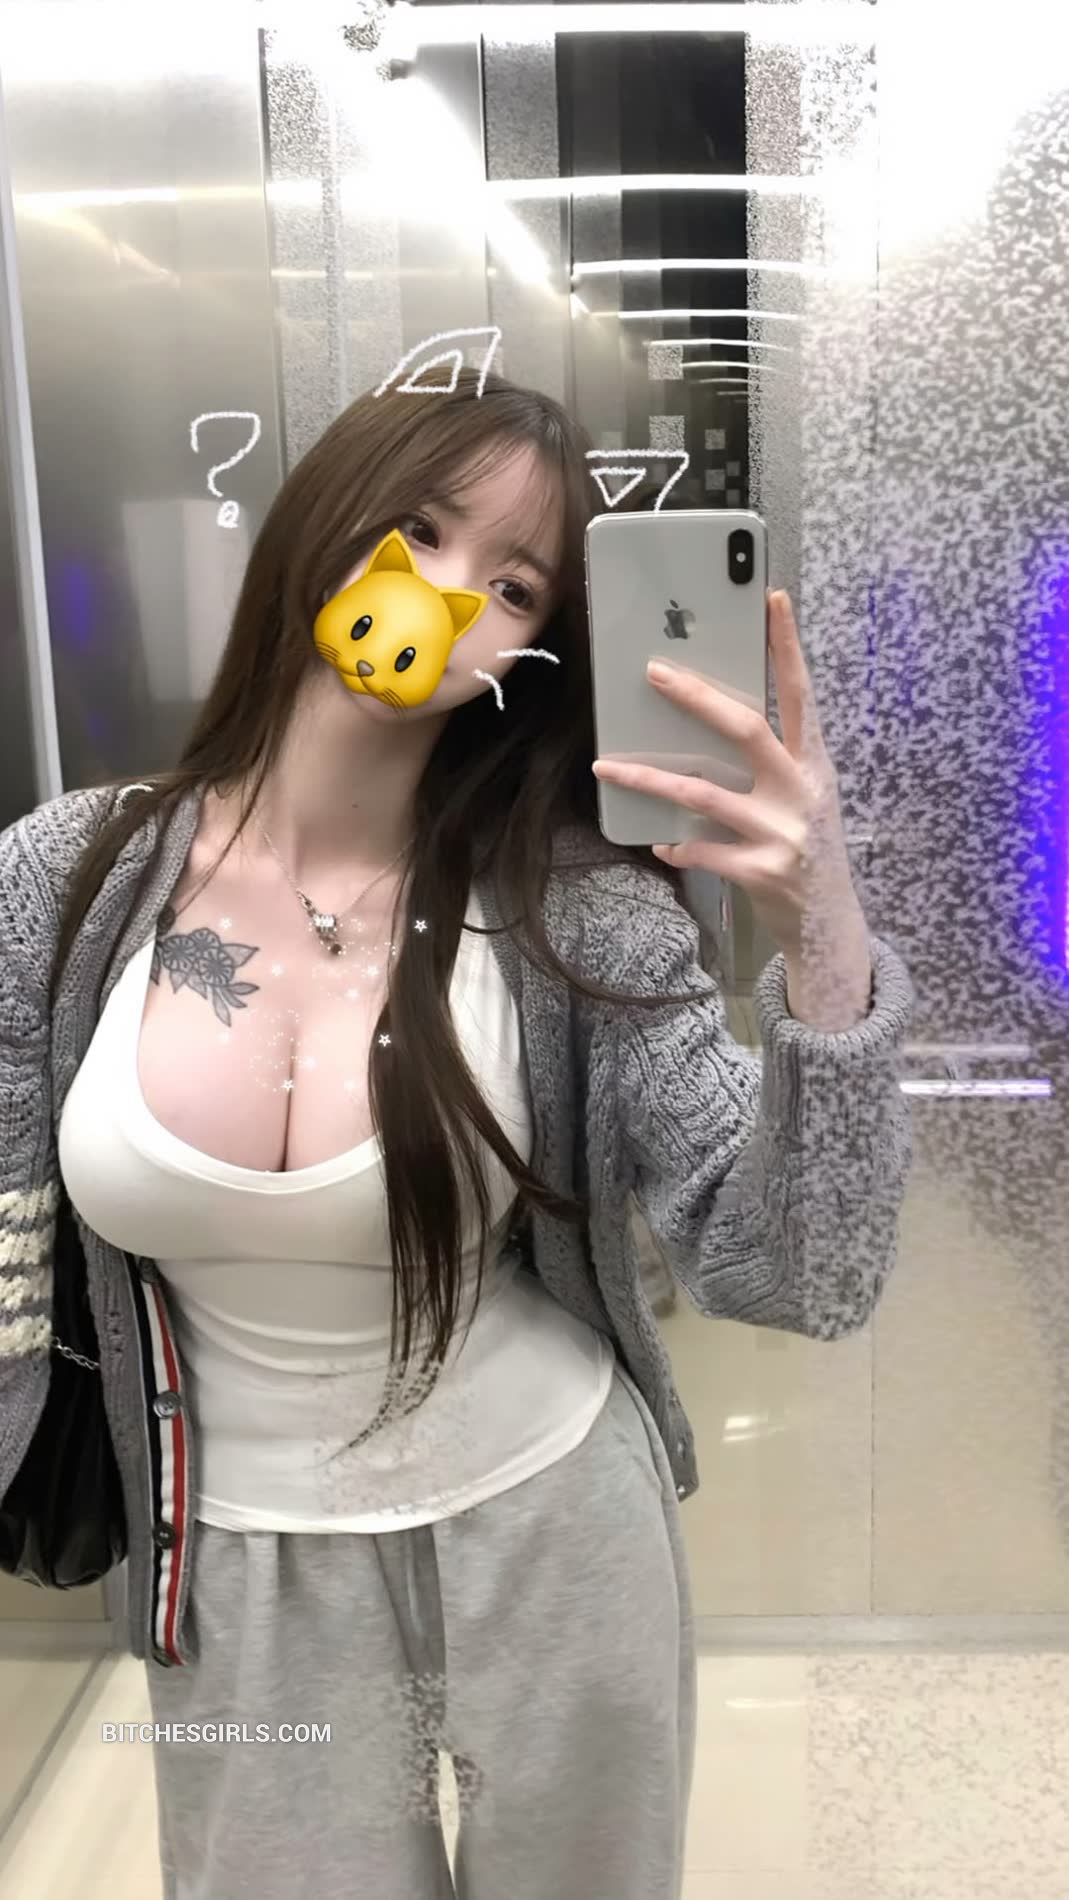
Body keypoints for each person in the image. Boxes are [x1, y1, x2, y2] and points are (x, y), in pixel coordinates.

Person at [0, 370, 913, 1900]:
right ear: (321, 518)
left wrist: (819, 926)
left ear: (533, 654)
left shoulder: (575, 909)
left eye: (514, 585)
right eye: (420, 529)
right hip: (233, 1557)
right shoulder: (63, 879)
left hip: (551, 1524)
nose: (446, 595)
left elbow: (798, 1273)